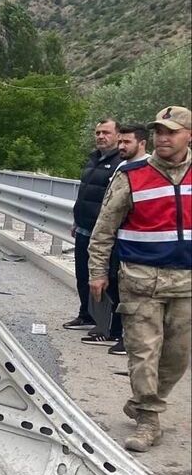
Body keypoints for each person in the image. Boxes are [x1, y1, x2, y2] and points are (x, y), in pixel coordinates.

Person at [87, 106, 191, 452]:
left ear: (189, 136)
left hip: (186, 283)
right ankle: (148, 420)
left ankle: (145, 401)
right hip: (140, 280)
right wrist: (97, 272)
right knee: (143, 354)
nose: (163, 138)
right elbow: (104, 229)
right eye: (159, 131)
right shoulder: (131, 175)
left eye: (171, 132)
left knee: (178, 357)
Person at [83, 124, 150, 354]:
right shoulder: (123, 166)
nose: (121, 146)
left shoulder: (147, 169)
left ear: (142, 143)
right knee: (113, 285)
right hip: (116, 237)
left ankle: (126, 336)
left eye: (126, 142)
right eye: (120, 141)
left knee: (130, 292)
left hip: (136, 244)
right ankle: (111, 329)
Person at [64, 119, 121, 330]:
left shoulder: (120, 163)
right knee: (82, 275)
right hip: (83, 227)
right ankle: (86, 314)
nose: (100, 136)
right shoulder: (93, 159)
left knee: (105, 278)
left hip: (103, 233)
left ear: (117, 136)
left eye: (106, 132)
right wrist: (76, 221)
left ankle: (106, 324)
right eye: (98, 133)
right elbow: (84, 193)